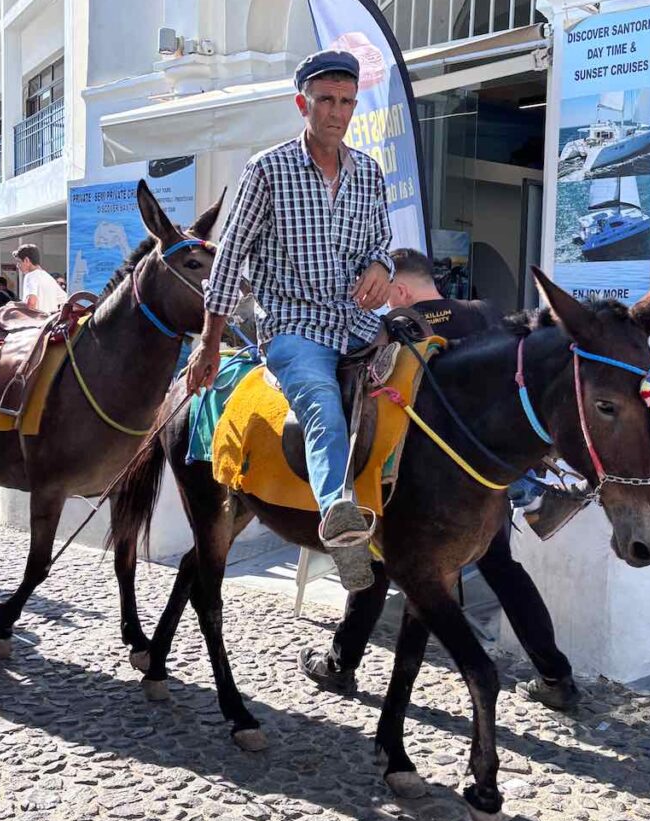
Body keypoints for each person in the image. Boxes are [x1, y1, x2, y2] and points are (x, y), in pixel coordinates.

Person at [299, 247, 580, 711]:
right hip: (490, 478)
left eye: (387, 293)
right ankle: (556, 675)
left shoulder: (400, 326)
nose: (384, 303)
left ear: (403, 290)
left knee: (374, 562)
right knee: (503, 569)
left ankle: (341, 663)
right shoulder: (487, 313)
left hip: (425, 487)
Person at [186, 49, 394, 593]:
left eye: (347, 101)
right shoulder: (267, 170)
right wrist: (210, 343)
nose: (337, 112)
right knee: (323, 405)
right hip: (295, 327)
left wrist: (379, 266)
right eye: (326, 100)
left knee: (429, 372)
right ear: (302, 103)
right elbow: (229, 259)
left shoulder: (369, 174)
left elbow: (381, 245)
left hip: (360, 321)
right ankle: (340, 519)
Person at [11, 244, 66, 314]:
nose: (17, 266)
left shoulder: (31, 276)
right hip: (49, 323)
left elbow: (31, 303)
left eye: (19, 262)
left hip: (35, 323)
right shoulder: (49, 278)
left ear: (26, 260)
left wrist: (14, 306)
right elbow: (65, 301)